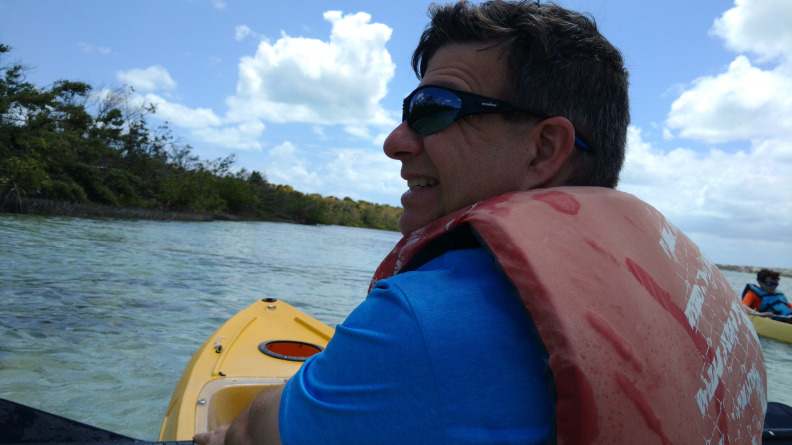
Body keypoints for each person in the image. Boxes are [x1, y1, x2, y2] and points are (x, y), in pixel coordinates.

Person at [194, 1, 766, 443]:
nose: (395, 142)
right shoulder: (699, 307)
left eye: (434, 110)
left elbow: (251, 436)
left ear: (545, 149)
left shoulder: (422, 320)